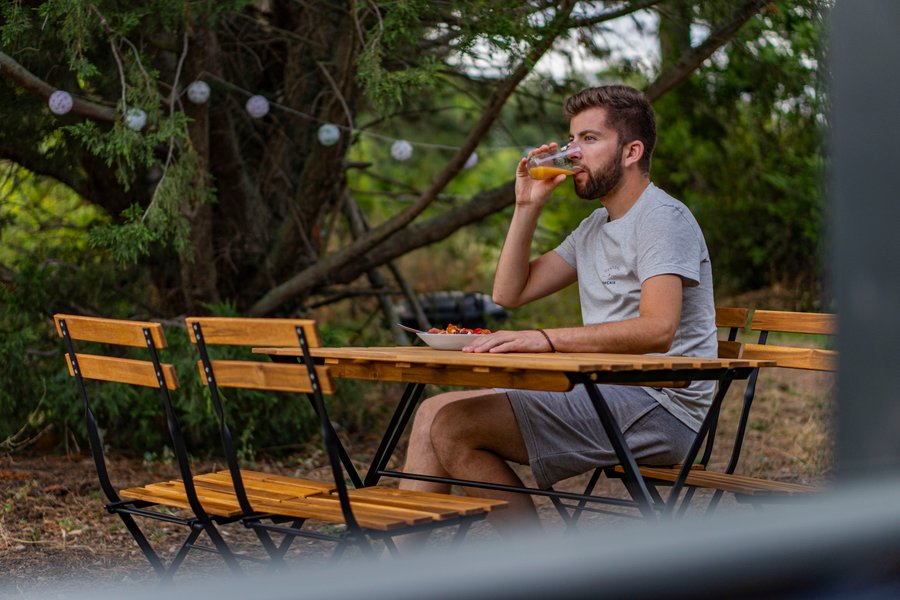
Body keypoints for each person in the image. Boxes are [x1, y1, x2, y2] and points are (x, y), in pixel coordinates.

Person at [398, 84, 717, 533]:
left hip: (662, 403)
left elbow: (658, 329)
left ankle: (534, 569)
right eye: (572, 140)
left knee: (453, 424)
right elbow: (510, 293)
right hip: (604, 389)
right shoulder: (595, 226)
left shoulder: (662, 218)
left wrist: (546, 340)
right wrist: (526, 206)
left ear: (631, 151)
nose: (572, 153)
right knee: (432, 412)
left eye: (589, 139)